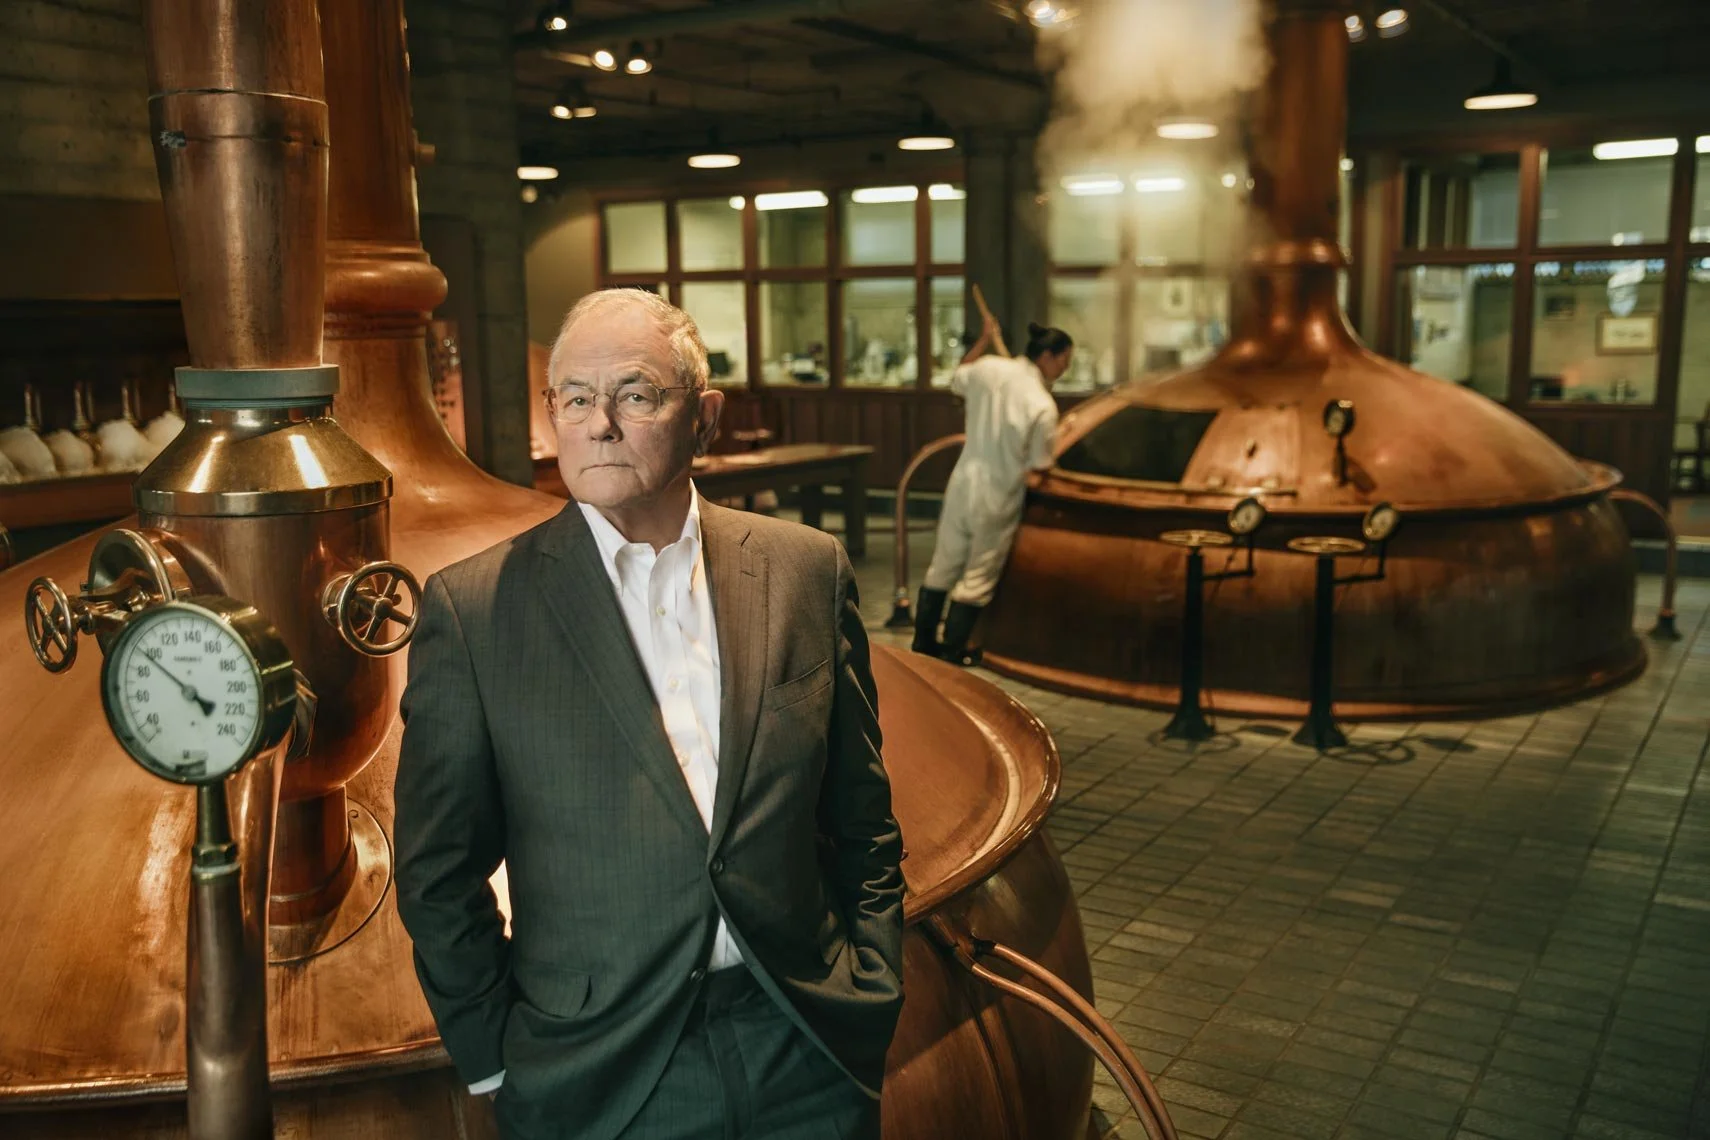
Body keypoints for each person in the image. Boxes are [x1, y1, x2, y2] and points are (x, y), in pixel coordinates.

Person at [394, 288, 906, 1140]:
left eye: (635, 395)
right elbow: (437, 872)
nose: (599, 425)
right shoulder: (476, 611)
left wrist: (872, 982)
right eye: (574, 398)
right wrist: (495, 1063)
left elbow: (862, 814)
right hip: (606, 1071)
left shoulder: (803, 570)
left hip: (805, 1039)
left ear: (703, 418)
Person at [913, 317, 1073, 665]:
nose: (1065, 368)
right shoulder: (1042, 405)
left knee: (943, 565)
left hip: (963, 482)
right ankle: (952, 655)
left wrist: (984, 340)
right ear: (1048, 356)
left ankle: (923, 648)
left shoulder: (987, 368)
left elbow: (959, 376)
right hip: (999, 492)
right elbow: (1041, 466)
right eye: (1065, 360)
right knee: (977, 577)